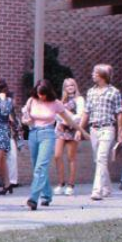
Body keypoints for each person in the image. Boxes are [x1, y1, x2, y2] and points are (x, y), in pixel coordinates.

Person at [20, 80, 88, 210]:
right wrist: (26, 121)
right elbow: (24, 118)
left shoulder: (55, 103)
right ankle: (47, 195)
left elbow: (70, 120)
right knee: (37, 167)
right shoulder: (31, 101)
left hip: (48, 134)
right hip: (33, 134)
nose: (41, 97)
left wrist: (82, 131)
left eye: (44, 94)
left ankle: (33, 198)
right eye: (39, 94)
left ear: (48, 92)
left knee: (41, 166)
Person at [80, 64, 122, 201]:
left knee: (101, 158)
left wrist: (121, 132)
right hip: (94, 129)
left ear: (102, 75)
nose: (92, 74)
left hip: (107, 128)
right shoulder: (90, 92)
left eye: (95, 72)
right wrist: (80, 130)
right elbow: (86, 112)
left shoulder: (114, 92)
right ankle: (107, 187)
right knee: (97, 160)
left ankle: (96, 190)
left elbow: (119, 114)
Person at [52, 78, 86, 196]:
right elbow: (56, 114)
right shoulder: (62, 100)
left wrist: (68, 121)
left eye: (72, 85)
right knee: (57, 155)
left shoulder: (79, 99)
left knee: (71, 157)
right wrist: (61, 121)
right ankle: (61, 183)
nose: (70, 87)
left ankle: (71, 185)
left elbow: (80, 115)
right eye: (67, 86)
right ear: (64, 88)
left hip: (72, 129)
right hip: (61, 129)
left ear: (75, 86)